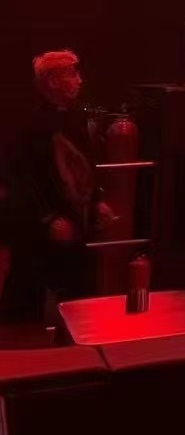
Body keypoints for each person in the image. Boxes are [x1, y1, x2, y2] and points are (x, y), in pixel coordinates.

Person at [0, 51, 113, 321]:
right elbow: (20, 179)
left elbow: (86, 167)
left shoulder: (78, 120)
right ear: (52, 81)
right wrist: (48, 219)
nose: (79, 80)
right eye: (72, 74)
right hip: (39, 228)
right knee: (27, 296)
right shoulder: (29, 126)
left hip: (75, 220)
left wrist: (97, 201)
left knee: (78, 296)